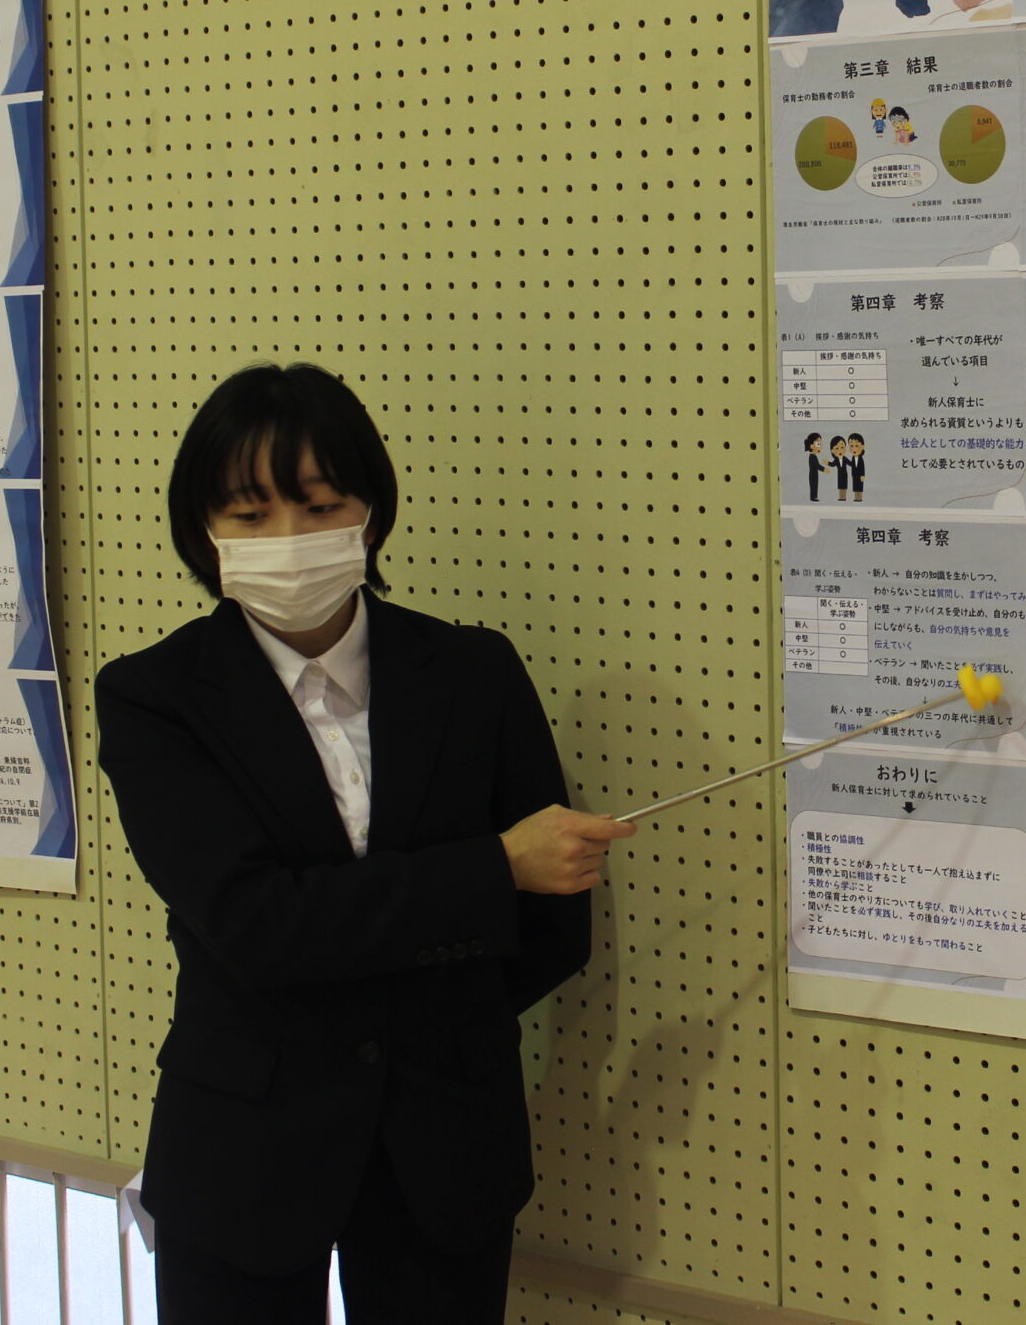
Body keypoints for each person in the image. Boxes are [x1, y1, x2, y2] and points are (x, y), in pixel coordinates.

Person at [94, 362, 634, 1323]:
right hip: (241, 1156)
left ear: (370, 514)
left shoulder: (474, 671)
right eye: (250, 514)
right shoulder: (154, 698)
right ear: (204, 529)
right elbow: (255, 924)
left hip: (446, 1144)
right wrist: (491, 869)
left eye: (318, 506)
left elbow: (554, 926)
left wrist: (398, 980)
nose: (286, 539)